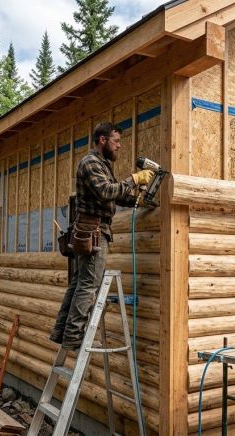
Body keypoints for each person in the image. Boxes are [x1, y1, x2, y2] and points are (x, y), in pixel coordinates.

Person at [49, 122, 154, 350]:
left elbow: (113, 193)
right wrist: (135, 180)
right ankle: (75, 337)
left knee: (79, 283)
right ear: (102, 140)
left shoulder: (102, 164)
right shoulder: (90, 162)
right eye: (116, 142)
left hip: (91, 230)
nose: (119, 146)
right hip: (93, 231)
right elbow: (106, 191)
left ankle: (63, 332)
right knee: (89, 285)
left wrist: (138, 200)